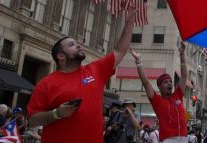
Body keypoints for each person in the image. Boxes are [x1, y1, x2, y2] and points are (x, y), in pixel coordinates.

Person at [27, 11, 136, 143]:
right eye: (71, 45)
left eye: (76, 43)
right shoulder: (46, 83)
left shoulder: (95, 70)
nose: (78, 45)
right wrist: (57, 113)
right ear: (61, 56)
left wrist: (129, 23)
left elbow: (119, 51)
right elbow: (32, 119)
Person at [131, 41, 189, 143]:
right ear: (159, 86)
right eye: (166, 82)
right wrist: (139, 62)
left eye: (170, 81)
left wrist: (182, 54)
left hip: (184, 138)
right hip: (167, 140)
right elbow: (146, 83)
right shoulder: (157, 101)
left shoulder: (178, 95)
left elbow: (184, 76)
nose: (170, 84)